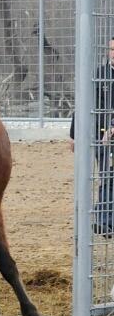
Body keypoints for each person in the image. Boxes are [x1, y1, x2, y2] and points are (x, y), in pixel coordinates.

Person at [71, 37, 114, 236]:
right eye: (111, 49)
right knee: (107, 174)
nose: (112, 53)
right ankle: (104, 219)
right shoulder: (100, 74)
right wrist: (74, 135)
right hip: (103, 136)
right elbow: (84, 104)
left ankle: (102, 215)